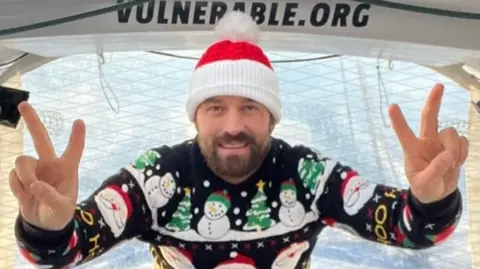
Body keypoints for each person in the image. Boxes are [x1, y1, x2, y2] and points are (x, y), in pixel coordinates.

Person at [11, 11, 467, 269]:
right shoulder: (155, 177)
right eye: (215, 108)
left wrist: (432, 201)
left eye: (249, 107)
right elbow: (65, 250)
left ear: (270, 117)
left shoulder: (308, 175)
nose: (233, 125)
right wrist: (46, 227)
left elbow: (409, 230)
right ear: (195, 117)